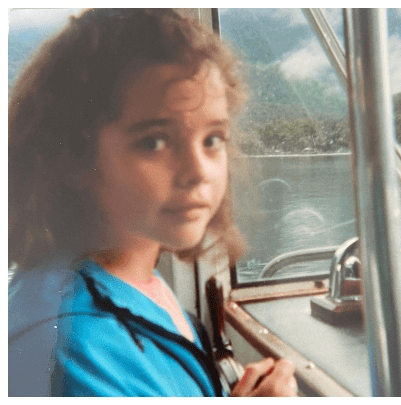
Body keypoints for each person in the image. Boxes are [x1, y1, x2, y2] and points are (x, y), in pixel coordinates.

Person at [8, 9, 296, 397]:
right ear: (74, 157)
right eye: (155, 141)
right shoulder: (75, 350)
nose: (197, 171)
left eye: (212, 139)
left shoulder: (134, 280)